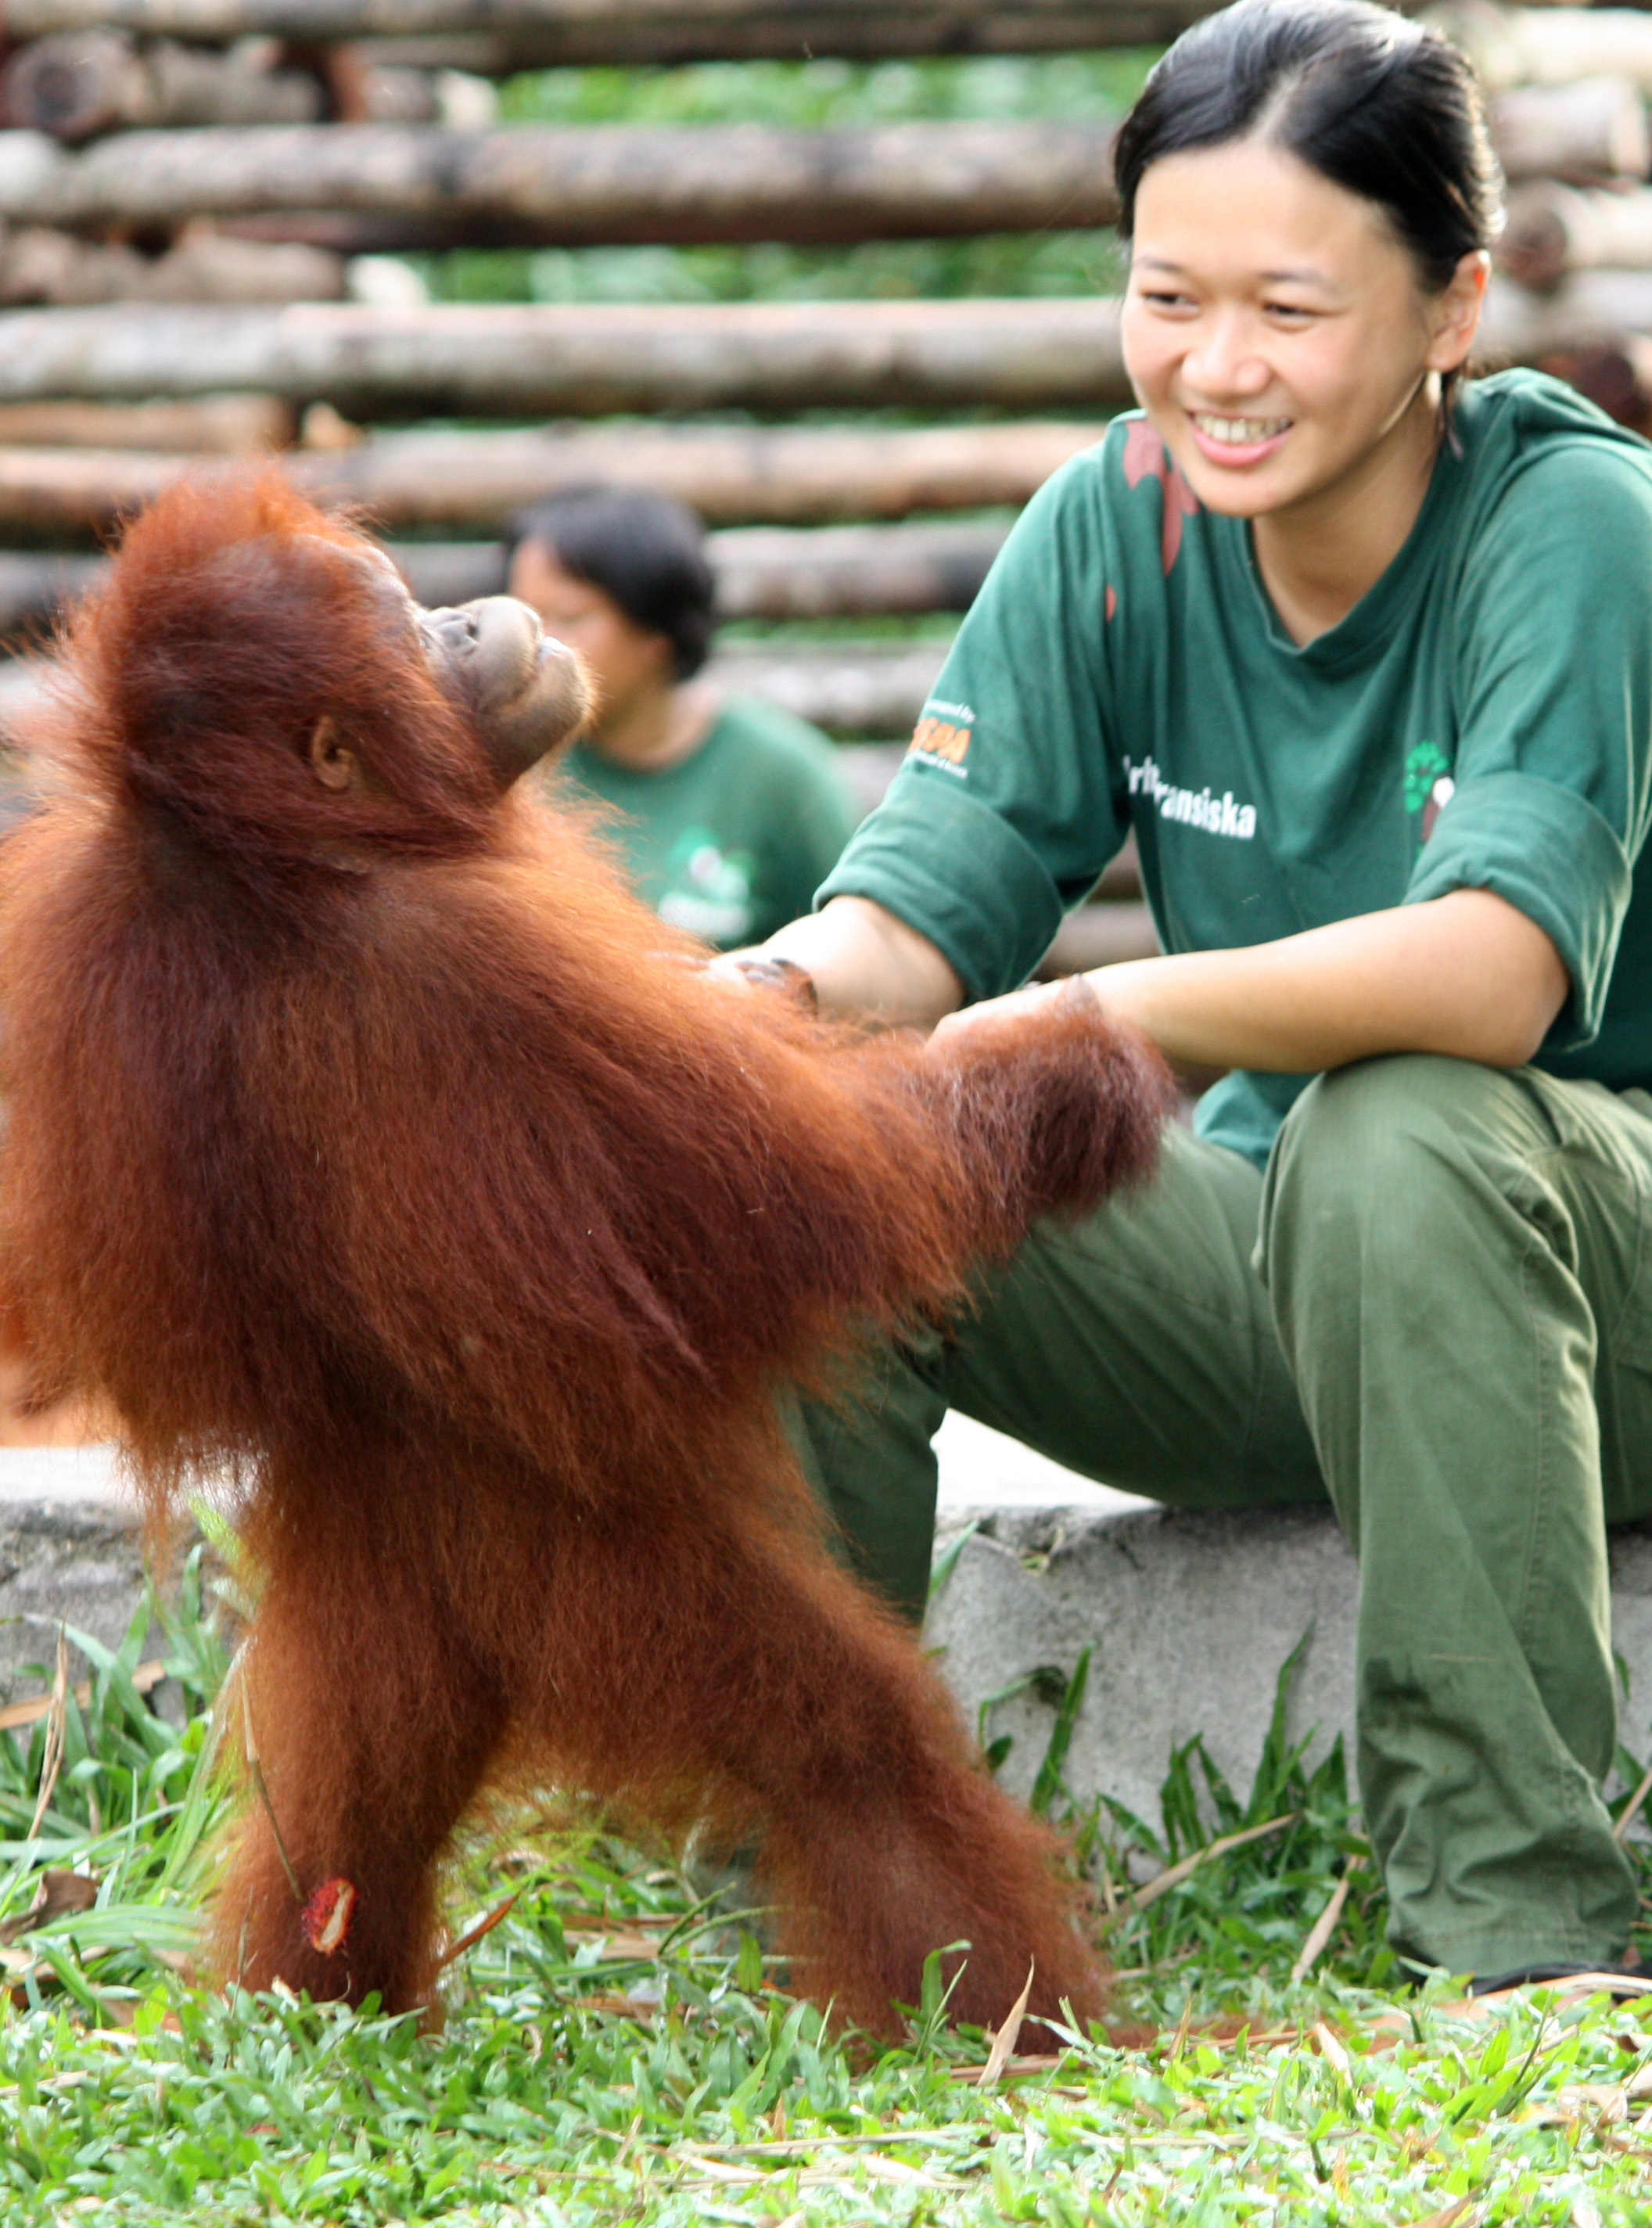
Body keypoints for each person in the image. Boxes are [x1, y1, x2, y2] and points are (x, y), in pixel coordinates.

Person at [739, 0, 1652, 1992]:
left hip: (1584, 1266)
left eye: (1287, 309)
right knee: (829, 1152)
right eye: (1164, 293)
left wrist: (1116, 1019)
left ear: (1448, 310)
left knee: (1401, 1116)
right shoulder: (1115, 519)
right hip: (1278, 1266)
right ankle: (837, 1895)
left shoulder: (1567, 522)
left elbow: (1493, 970)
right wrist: (738, 1011)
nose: (1212, 368)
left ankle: (1518, 1935)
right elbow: (920, 903)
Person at [506, 485, 856, 949]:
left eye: (568, 617)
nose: (538, 645)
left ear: (658, 635)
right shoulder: (516, 773)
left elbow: (851, 945)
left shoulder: (781, 777)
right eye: (524, 616)